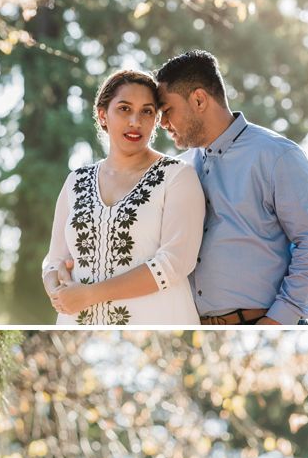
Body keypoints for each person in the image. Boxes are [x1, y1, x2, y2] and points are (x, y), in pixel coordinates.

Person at [154, 49, 308, 325]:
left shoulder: (277, 156)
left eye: (167, 111)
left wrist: (278, 320)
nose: (163, 124)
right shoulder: (178, 171)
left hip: (264, 327)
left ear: (199, 99)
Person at [42, 69, 205, 325]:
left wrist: (89, 295)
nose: (135, 121)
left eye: (147, 111)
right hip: (77, 326)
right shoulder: (76, 181)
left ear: (155, 120)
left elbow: (175, 262)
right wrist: (55, 289)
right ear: (103, 115)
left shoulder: (177, 177)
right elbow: (54, 260)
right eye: (124, 109)